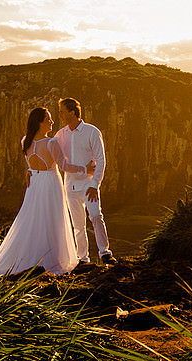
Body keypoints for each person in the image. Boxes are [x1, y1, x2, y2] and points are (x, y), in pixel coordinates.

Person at [0, 107, 93, 284]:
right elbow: (64, 166)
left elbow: (31, 164)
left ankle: (33, 257)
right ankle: (52, 260)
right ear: (39, 122)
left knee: (33, 219)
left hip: (34, 184)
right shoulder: (51, 143)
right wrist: (85, 169)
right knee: (53, 220)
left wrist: (29, 171)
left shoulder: (25, 140)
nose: (52, 122)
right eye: (48, 119)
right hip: (50, 184)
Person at [54, 97, 116, 266]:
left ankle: (105, 253)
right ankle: (83, 259)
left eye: (62, 111)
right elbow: (55, 158)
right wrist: (32, 170)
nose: (59, 115)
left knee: (96, 215)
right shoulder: (60, 135)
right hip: (70, 186)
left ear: (72, 113)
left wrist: (95, 184)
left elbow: (101, 161)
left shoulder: (92, 132)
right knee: (78, 225)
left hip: (89, 185)